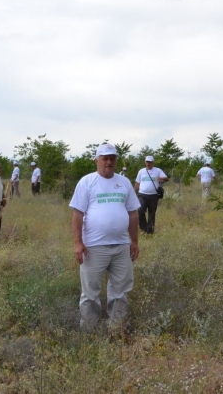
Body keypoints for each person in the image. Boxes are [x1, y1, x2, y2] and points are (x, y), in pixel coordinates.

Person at [70, 143, 140, 333]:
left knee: (121, 291)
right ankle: (89, 331)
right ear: (97, 160)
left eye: (112, 158)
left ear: (116, 160)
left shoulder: (124, 182)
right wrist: (78, 243)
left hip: (121, 246)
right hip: (93, 247)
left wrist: (134, 242)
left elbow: (133, 213)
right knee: (90, 292)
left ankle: (116, 329)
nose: (109, 162)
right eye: (105, 158)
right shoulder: (87, 182)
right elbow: (77, 214)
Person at [134, 156, 169, 234]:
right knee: (140, 210)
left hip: (154, 195)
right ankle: (143, 228)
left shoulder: (157, 170)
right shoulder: (141, 171)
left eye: (150, 162)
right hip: (142, 194)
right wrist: (133, 193)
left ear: (153, 163)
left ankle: (150, 230)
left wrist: (162, 179)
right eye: (147, 162)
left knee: (152, 213)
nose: (148, 163)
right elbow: (137, 183)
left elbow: (167, 178)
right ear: (145, 162)